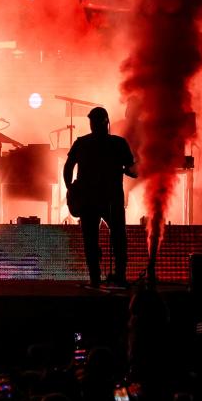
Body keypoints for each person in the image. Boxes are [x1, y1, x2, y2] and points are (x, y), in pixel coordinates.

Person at [63, 106, 137, 287]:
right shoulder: (118, 143)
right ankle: (119, 276)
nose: (93, 126)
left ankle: (96, 278)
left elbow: (68, 167)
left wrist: (71, 188)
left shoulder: (82, 143)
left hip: (90, 199)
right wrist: (131, 169)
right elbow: (132, 170)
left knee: (91, 239)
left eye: (94, 123)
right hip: (111, 198)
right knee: (118, 236)